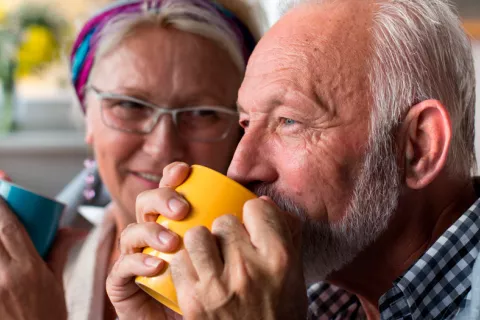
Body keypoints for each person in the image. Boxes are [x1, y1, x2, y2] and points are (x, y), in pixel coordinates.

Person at [106, 0, 480, 319]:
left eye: (289, 122)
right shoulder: (317, 300)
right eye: (246, 122)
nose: (239, 169)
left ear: (419, 146)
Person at [0, 0, 263, 319]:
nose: (162, 148)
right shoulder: (29, 273)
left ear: (240, 129)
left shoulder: (273, 288)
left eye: (202, 112)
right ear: (88, 118)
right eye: (130, 105)